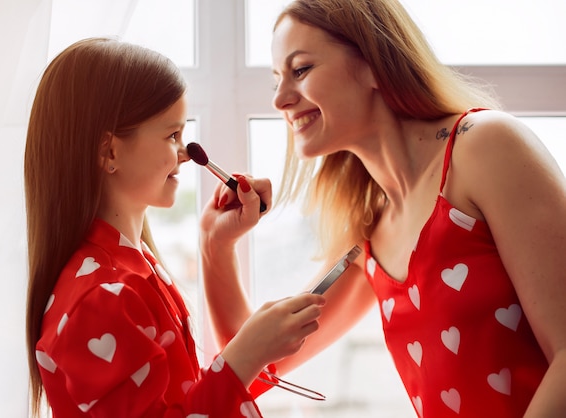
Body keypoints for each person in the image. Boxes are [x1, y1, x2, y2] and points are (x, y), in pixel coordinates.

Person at [199, 1, 566, 417]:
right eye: (275, 81)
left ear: (374, 63)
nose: (281, 99)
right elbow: (259, 364)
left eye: (300, 70)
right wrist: (216, 243)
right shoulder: (371, 236)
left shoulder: (485, 146)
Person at [24, 37, 326, 417]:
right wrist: (245, 356)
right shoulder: (100, 299)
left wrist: (218, 241)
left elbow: (178, 402)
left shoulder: (136, 267)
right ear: (110, 152)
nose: (186, 154)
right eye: (172, 135)